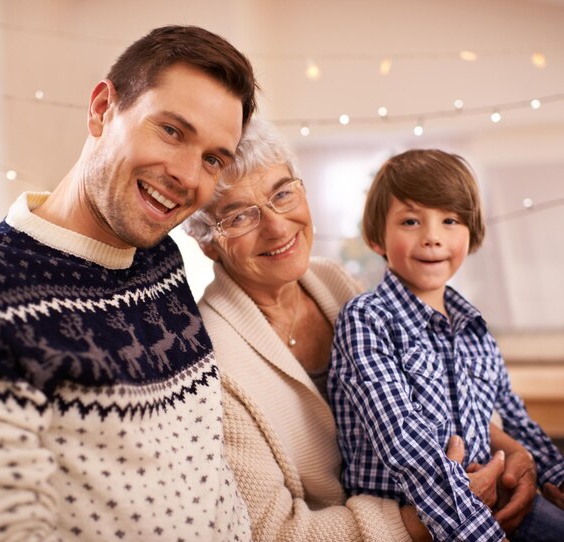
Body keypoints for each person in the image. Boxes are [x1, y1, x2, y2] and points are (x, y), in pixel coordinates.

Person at [0, 25, 258, 541]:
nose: (186, 175)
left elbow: (207, 482)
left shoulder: (162, 260)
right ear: (102, 108)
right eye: (172, 130)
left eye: (213, 158)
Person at [182, 119, 534, 541]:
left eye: (282, 193)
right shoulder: (212, 361)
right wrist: (422, 522)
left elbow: (430, 394)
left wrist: (511, 453)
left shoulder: (337, 284)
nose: (277, 226)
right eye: (239, 215)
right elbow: (272, 532)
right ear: (205, 241)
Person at [328, 148, 564, 541]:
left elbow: (513, 416)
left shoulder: (474, 330)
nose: (432, 238)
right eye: (410, 221)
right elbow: (404, 442)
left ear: (471, 233)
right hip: (427, 521)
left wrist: (556, 474)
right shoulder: (367, 319)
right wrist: (480, 532)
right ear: (375, 237)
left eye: (450, 220)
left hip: (495, 504)